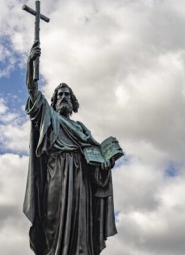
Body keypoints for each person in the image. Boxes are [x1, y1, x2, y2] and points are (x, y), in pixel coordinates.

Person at [23, 41, 117, 255]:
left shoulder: (81, 128)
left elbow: (95, 156)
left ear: (72, 102)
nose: (64, 98)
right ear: (54, 102)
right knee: (53, 220)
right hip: (57, 172)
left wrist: (105, 164)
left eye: (67, 95)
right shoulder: (49, 116)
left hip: (81, 178)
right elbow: (32, 91)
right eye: (60, 95)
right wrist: (31, 63)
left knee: (80, 223)